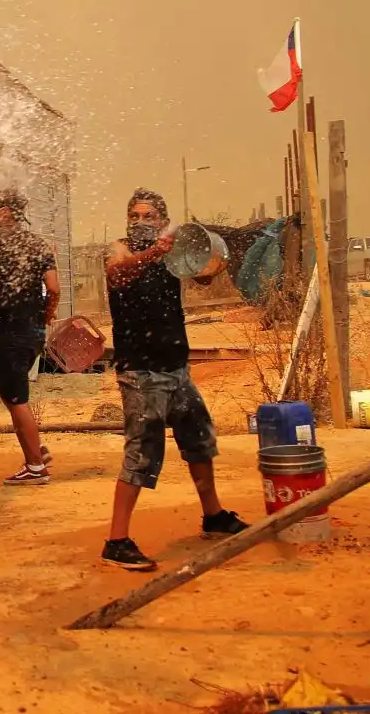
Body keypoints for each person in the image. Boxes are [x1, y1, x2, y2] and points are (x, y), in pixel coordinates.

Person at [99, 188, 249, 569]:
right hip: (141, 371)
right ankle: (117, 540)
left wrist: (211, 255)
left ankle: (213, 515)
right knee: (142, 454)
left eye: (149, 216)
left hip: (175, 367)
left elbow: (203, 276)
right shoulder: (118, 250)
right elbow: (117, 275)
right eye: (135, 215)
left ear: (163, 221)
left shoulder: (172, 252)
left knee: (199, 440)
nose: (140, 222)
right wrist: (156, 252)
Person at [0, 187, 61, 485]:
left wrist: (1, 288)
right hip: (34, 330)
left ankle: (35, 467)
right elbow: (54, 288)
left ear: (5, 210)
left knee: (15, 395)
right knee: (13, 391)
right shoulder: (38, 243)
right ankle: (36, 448)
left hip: (8, 328)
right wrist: (46, 316)